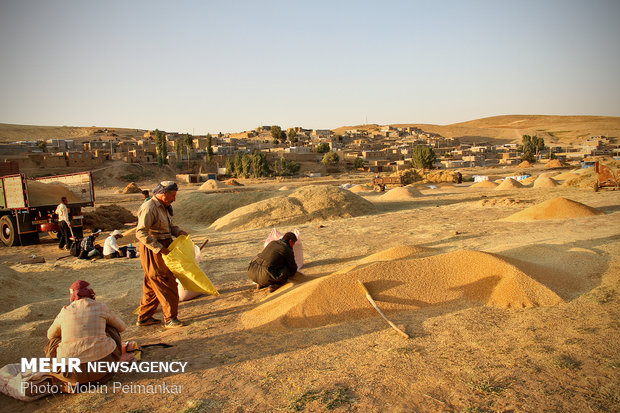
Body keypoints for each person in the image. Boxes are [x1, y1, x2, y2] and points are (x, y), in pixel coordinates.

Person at [45, 280, 126, 393]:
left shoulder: (65, 311)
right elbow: (122, 327)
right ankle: (101, 376)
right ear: (91, 293)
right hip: (102, 367)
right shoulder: (101, 307)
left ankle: (69, 381)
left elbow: (50, 335)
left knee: (53, 341)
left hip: (69, 373)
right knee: (111, 328)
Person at [135, 181, 188, 329]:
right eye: (173, 196)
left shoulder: (164, 207)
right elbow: (140, 232)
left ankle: (144, 318)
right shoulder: (149, 207)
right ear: (164, 194)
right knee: (165, 281)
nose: (174, 200)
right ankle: (170, 318)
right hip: (154, 249)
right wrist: (160, 248)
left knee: (152, 285)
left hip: (163, 244)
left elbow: (168, 227)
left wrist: (178, 232)